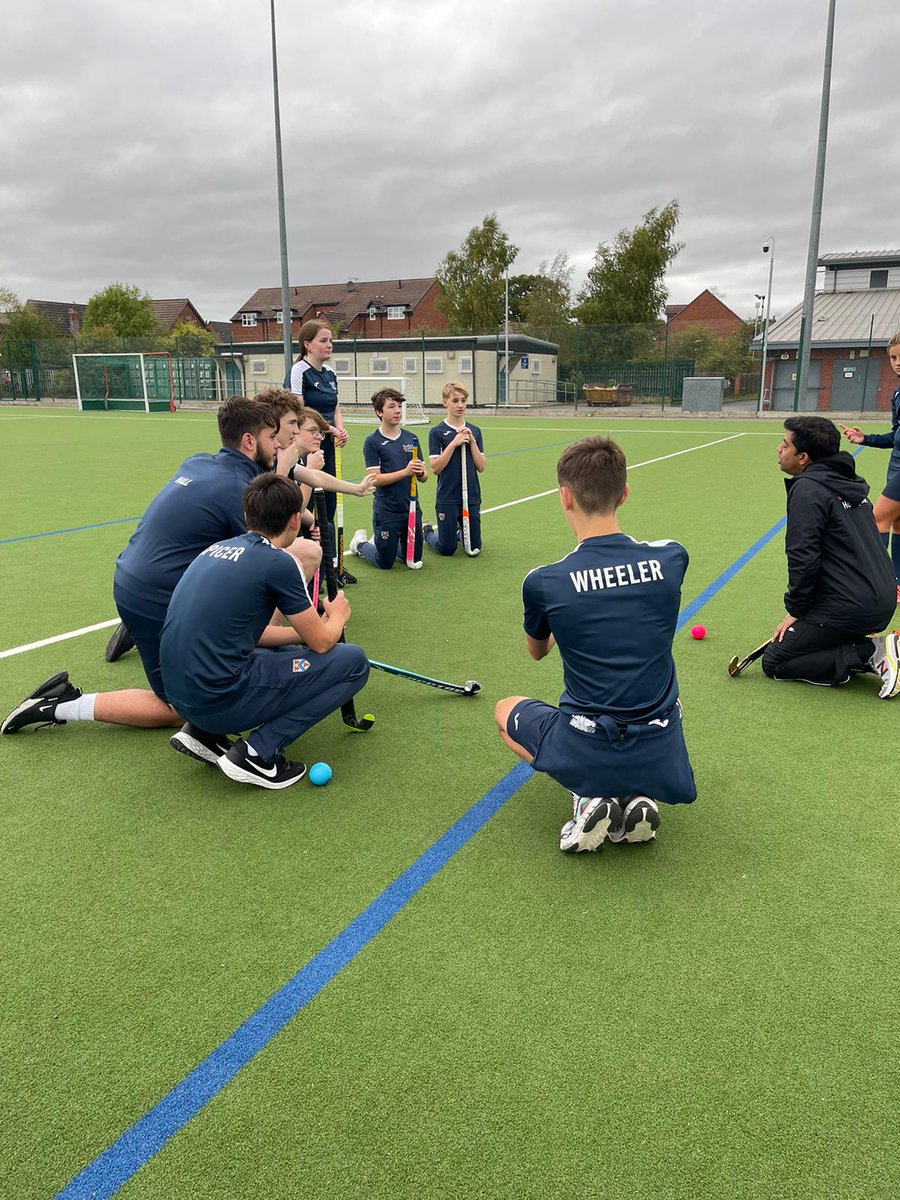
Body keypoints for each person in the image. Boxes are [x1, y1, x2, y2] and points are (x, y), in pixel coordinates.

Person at [493, 436, 696, 854]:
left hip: (587, 741)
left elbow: (537, 651)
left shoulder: (544, 581)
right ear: (624, 493)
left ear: (564, 496)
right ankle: (637, 792)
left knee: (503, 711)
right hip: (662, 744)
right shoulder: (672, 557)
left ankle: (589, 796)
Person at [161, 474, 369, 788]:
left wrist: (305, 635)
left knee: (292, 651)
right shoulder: (278, 562)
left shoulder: (217, 548)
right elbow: (325, 643)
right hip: (217, 700)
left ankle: (204, 733)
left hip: (179, 697)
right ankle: (258, 752)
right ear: (296, 519)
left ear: (247, 516)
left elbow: (252, 635)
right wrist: (337, 617)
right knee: (353, 662)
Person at [762, 415, 900, 696]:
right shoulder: (847, 481)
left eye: (785, 444)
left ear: (803, 457)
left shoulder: (808, 489)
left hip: (850, 606)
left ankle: (870, 652)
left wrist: (796, 612)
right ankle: (866, 646)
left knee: (776, 660)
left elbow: (803, 557)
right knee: (809, 641)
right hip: (881, 600)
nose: (779, 448)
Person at [286, 319, 355, 584]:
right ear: (307, 345)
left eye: (330, 340)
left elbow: (335, 406)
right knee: (306, 505)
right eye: (323, 340)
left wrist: (340, 429)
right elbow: (300, 412)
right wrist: (326, 429)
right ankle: (308, 569)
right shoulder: (299, 371)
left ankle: (333, 567)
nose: (329, 345)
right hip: (306, 444)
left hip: (327, 443)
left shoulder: (329, 374)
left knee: (329, 501)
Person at [839, 331, 900, 601]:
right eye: (893, 357)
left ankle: (874, 584)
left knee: (877, 518)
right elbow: (896, 435)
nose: (897, 362)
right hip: (896, 465)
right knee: (897, 523)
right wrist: (866, 439)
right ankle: (897, 583)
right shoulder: (898, 393)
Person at [347, 388, 428, 570]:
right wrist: (406, 472)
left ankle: (388, 544)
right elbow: (374, 479)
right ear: (379, 412)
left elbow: (425, 478)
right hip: (387, 511)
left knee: (413, 558)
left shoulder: (411, 438)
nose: (398, 410)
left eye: (399, 406)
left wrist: (420, 472)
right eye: (392, 406)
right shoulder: (373, 442)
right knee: (385, 563)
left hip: (411, 509)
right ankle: (360, 544)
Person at [425, 381, 486, 556]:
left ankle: (460, 531)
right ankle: (428, 533)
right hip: (448, 496)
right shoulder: (437, 432)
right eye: (455, 400)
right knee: (447, 549)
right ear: (445, 402)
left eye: (463, 401)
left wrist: (472, 441)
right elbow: (435, 468)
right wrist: (453, 443)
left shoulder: (474, 430)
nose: (460, 405)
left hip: (471, 495)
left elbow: (481, 467)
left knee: (474, 547)